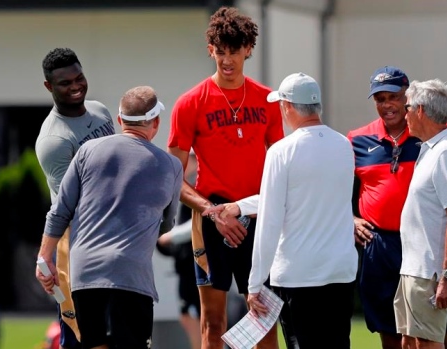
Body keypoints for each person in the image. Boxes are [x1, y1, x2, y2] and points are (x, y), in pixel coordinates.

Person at [347, 66, 447, 349]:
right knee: (396, 333)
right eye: (379, 98)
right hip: (379, 244)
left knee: (436, 334)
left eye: (394, 97)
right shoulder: (356, 139)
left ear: (409, 101)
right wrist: (351, 219)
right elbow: (332, 187)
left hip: (428, 248)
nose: (388, 105)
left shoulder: (442, 139)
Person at [166, 6, 284, 349]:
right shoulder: (191, 102)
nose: (227, 60)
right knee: (213, 321)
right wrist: (214, 212)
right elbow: (175, 175)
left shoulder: (268, 100)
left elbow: (280, 166)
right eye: (220, 52)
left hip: (257, 215)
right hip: (211, 217)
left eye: (235, 51)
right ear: (210, 50)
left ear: (248, 49)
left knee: (264, 316)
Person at [35, 85, 183, 349]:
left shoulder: (88, 151)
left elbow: (60, 210)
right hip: (131, 275)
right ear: (156, 122)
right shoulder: (170, 165)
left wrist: (44, 257)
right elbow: (166, 224)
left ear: (119, 120)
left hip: (85, 275)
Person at [245, 72, 359, 348]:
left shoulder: (281, 151)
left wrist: (255, 283)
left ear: (287, 107)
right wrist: (238, 206)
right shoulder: (344, 145)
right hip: (340, 271)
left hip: (299, 275)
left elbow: (270, 219)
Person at [35, 47, 115, 349]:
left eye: (79, 78)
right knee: (83, 336)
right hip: (80, 244)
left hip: (113, 237)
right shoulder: (54, 140)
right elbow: (68, 203)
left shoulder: (99, 111)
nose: (75, 86)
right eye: (65, 83)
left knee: (117, 334)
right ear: (49, 87)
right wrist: (46, 255)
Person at [394, 79, 447, 348]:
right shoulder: (433, 149)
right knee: (408, 342)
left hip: (430, 274)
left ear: (420, 110)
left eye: (407, 107)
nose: (404, 114)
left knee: (426, 344)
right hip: (415, 269)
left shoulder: (446, 153)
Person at [156, 151, 202, 349]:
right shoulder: (182, 185)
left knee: (196, 316)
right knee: (189, 316)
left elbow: (200, 222)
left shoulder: (199, 185)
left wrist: (170, 237)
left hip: (198, 262)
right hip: (186, 264)